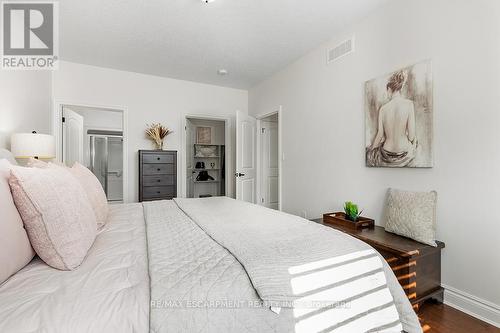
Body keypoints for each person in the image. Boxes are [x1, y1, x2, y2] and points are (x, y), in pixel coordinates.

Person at [366, 71, 417, 167]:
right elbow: (411, 136)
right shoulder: (409, 105)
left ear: (389, 89)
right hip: (404, 154)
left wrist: (371, 149)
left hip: (386, 154)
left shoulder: (383, 109)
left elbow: (380, 135)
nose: (387, 94)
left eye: (387, 91)